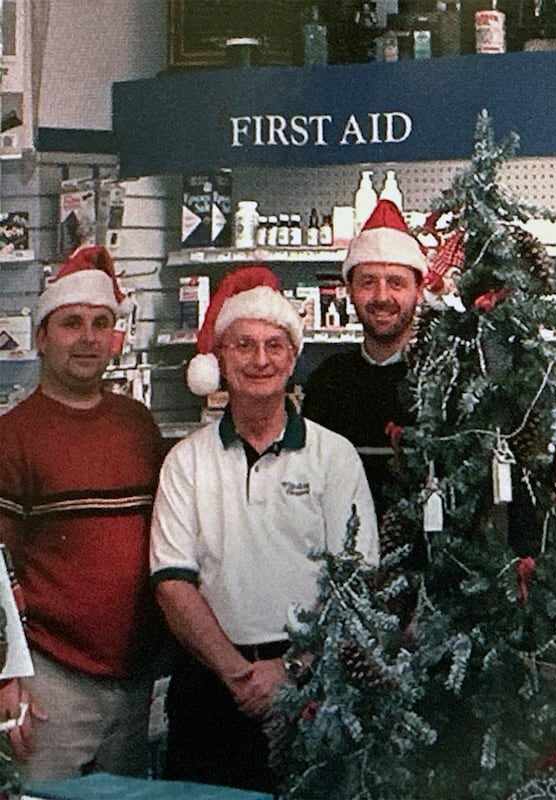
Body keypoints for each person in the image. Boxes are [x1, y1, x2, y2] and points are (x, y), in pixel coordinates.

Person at [152, 266, 378, 792]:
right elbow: (172, 582)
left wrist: (293, 668)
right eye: (243, 346)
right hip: (210, 686)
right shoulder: (186, 462)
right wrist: (238, 674)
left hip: (312, 684)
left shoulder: (333, 456)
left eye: (274, 345)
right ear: (219, 361)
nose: (260, 360)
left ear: (293, 359)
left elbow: (355, 580)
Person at [0, 246, 163, 781]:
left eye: (101, 323)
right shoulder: (13, 435)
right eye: (71, 323)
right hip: (49, 681)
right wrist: (6, 676)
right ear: (41, 337)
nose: (89, 338)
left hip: (134, 680)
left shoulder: (139, 426)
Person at [302, 199, 425, 520]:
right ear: (349, 290)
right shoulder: (327, 382)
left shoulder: (447, 379)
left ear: (419, 291)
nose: (382, 297)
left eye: (396, 283)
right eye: (368, 282)